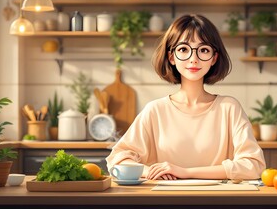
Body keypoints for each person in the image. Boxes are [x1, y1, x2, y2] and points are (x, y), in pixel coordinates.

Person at [106, 14, 265, 180]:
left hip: (217, 201)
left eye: (203, 50)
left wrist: (185, 172)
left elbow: (253, 166)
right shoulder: (155, 110)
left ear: (214, 58)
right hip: (165, 201)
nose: (194, 59)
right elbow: (117, 160)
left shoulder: (229, 108)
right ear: (171, 57)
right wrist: (150, 172)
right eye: (183, 49)